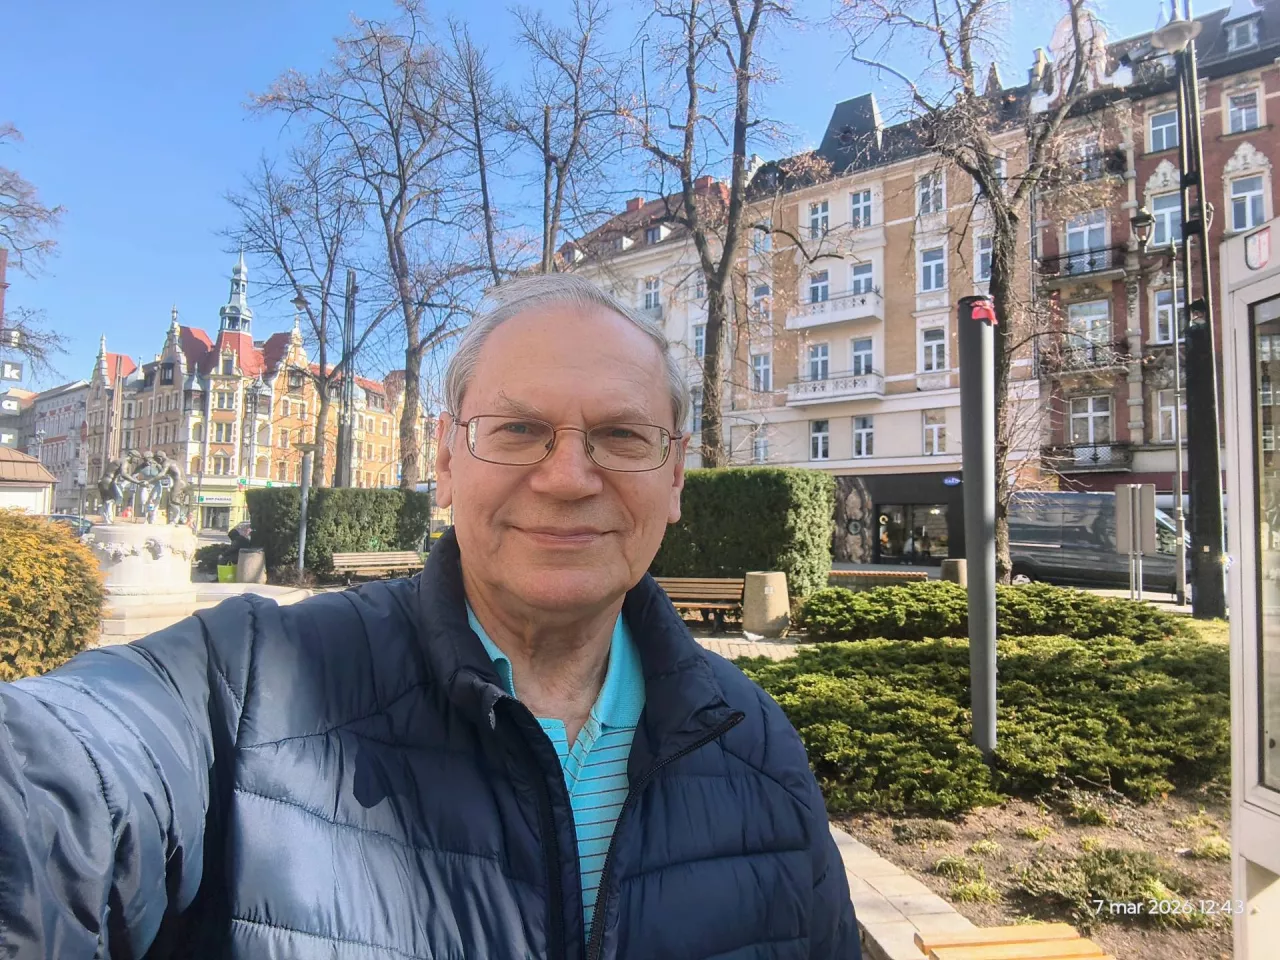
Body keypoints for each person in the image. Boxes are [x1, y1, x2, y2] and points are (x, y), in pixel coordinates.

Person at [0, 275, 859, 959]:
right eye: (517, 429)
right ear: (446, 462)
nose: (569, 477)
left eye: (624, 436)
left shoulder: (756, 746)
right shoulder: (249, 687)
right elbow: (62, 776)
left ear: (675, 478)